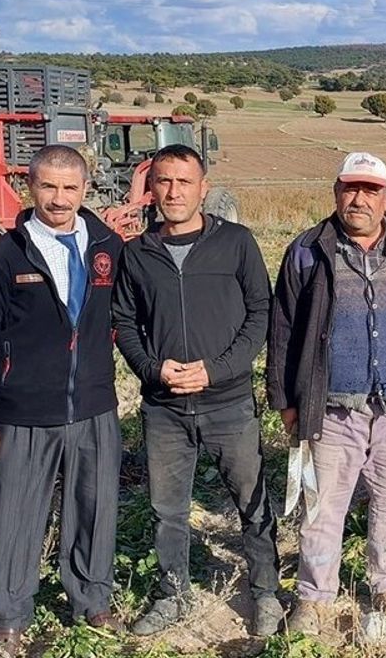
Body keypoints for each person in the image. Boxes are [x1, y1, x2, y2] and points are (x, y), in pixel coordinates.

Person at [267, 152, 386, 644]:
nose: (359, 199)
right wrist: (287, 400)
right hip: (332, 407)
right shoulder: (308, 250)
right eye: (350, 189)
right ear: (336, 193)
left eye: (370, 190)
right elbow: (283, 329)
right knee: (321, 505)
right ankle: (313, 598)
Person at [0, 145, 124, 656]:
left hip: (94, 408)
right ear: (30, 188)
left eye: (69, 187)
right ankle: (9, 613)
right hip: (23, 414)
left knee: (94, 511)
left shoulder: (107, 246)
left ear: (85, 189)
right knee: (16, 514)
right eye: (48, 187)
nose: (58, 198)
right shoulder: (4, 256)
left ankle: (91, 598)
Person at [111, 144, 281, 637]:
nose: (173, 191)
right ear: (151, 188)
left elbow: (259, 314)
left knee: (252, 501)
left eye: (184, 182)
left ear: (203, 189)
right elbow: (123, 320)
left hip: (228, 403)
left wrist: (218, 369)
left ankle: (265, 592)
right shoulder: (137, 253)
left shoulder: (237, 243)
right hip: (164, 407)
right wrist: (151, 368)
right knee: (168, 509)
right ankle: (173, 594)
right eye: (164, 181)